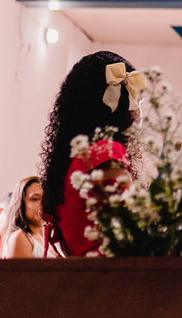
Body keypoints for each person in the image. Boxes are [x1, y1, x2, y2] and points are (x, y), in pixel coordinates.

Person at [40, 50, 143, 256]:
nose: (139, 113)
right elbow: (125, 230)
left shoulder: (76, 159)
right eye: (138, 103)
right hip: (106, 277)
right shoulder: (106, 152)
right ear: (120, 105)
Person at [0, 176, 48, 258]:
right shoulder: (19, 238)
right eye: (35, 199)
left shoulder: (49, 237)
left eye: (45, 198)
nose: (43, 204)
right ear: (21, 205)